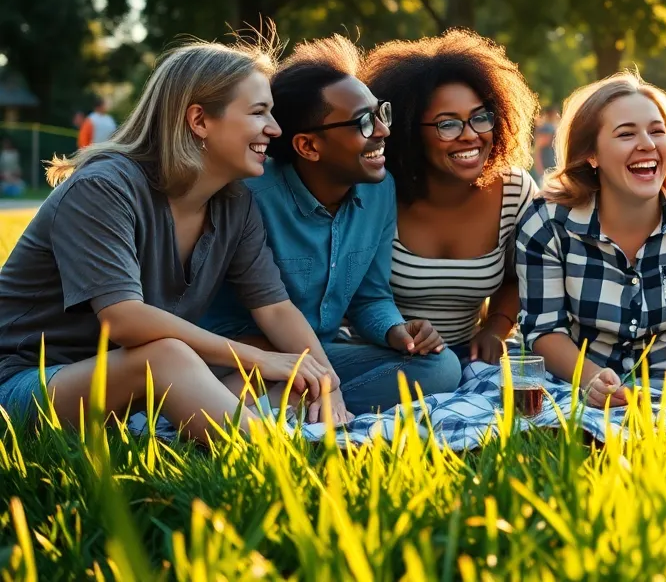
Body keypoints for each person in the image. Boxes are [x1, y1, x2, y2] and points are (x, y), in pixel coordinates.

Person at [0, 40, 351, 441]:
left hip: (124, 382)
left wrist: (327, 383)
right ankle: (276, 451)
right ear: (199, 120)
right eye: (258, 112)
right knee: (169, 356)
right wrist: (258, 359)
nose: (274, 129)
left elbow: (275, 309)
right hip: (25, 383)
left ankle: (224, 423)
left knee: (279, 361)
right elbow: (124, 319)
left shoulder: (234, 204)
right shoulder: (103, 187)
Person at [202, 35, 462, 414]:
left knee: (441, 367)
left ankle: (294, 403)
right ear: (308, 147)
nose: (383, 131)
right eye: (363, 122)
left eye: (380, 113)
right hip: (242, 356)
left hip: (319, 355)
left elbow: (370, 296)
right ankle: (271, 400)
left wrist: (396, 330)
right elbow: (255, 311)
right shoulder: (249, 196)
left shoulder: (380, 189)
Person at [516, 72, 666, 408]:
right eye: (626, 134)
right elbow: (543, 329)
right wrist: (590, 378)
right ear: (591, 155)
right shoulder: (547, 222)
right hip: (578, 381)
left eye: (657, 131)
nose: (647, 144)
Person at [362, 29, 539, 365]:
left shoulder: (514, 190)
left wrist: (495, 328)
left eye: (480, 117)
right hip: (380, 356)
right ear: (409, 131)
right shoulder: (377, 192)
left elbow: (519, 276)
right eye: (447, 124)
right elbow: (357, 296)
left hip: (465, 357)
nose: (470, 135)